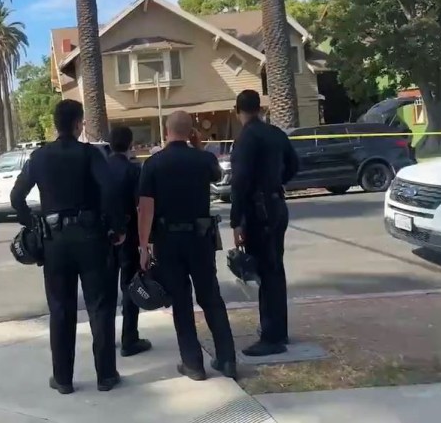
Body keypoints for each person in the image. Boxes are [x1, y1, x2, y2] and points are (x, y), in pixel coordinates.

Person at [10, 99, 125, 394]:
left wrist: (33, 225)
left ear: (56, 125)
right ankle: (106, 376)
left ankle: (63, 379)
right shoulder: (90, 154)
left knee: (60, 310)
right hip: (90, 239)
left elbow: (17, 196)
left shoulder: (40, 157)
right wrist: (116, 228)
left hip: (54, 243)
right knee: (99, 307)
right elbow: (110, 188)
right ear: (77, 124)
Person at [137, 111, 236, 381]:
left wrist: (143, 246)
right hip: (201, 237)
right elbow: (216, 176)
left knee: (180, 301)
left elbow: (145, 208)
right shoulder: (204, 159)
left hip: (168, 241)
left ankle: (193, 363)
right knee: (211, 297)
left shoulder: (154, 164)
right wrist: (200, 146)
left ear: (166, 131)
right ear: (191, 131)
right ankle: (227, 360)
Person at [229, 89, 299, 356]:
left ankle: (271, 337)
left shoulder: (246, 139)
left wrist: (237, 221)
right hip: (277, 204)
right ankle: (278, 329)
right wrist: (275, 182)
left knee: (265, 271)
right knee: (275, 268)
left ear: (239, 111)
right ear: (259, 108)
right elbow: (294, 165)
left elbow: (240, 182)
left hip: (259, 211)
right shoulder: (276, 133)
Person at [106, 127, 151, 357]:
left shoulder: (101, 169)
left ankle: (105, 337)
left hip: (104, 236)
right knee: (129, 287)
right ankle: (129, 338)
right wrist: (146, 242)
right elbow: (141, 206)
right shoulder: (133, 171)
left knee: (105, 290)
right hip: (129, 235)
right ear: (130, 144)